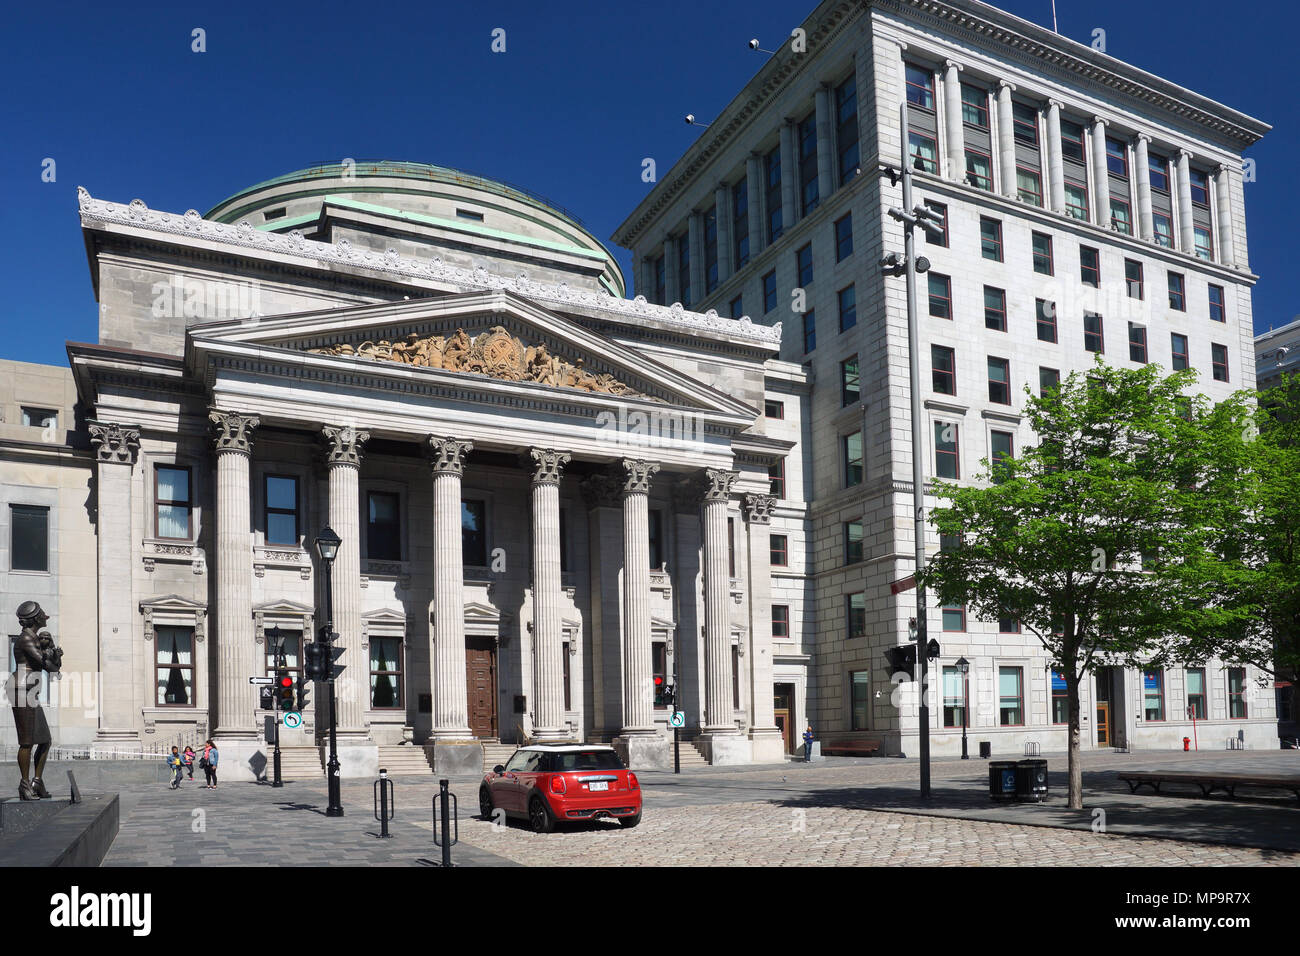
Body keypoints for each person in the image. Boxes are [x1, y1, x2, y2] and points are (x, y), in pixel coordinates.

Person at [9, 601, 63, 800]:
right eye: (42, 614)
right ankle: (25, 786)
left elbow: (52, 664)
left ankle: (37, 782)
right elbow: (44, 662)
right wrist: (52, 657)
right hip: (22, 690)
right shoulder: (26, 638)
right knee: (26, 743)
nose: (45, 617)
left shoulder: (34, 637)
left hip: (31, 690)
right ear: (35, 619)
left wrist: (54, 657)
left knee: (45, 740)